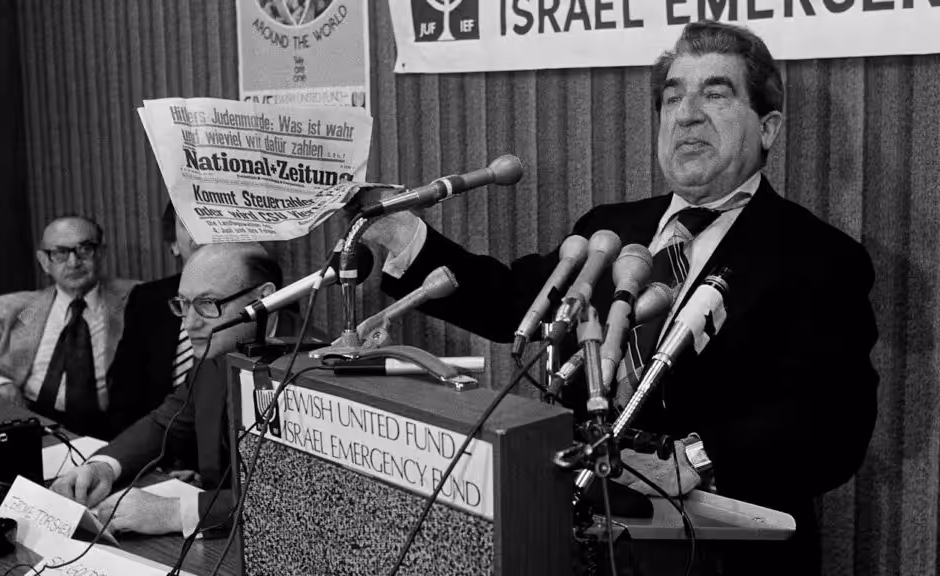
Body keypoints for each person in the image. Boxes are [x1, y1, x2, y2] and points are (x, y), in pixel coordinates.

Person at [359, 21, 878, 575]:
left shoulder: (820, 257)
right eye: (672, 97)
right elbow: (515, 301)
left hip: (724, 556)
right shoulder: (610, 229)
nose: (686, 114)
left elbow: (835, 424)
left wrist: (696, 457)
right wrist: (404, 238)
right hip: (584, 539)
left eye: (715, 94)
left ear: (768, 127)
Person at [51, 242, 320, 536]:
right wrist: (103, 467)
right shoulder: (222, 345)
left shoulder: (316, 373)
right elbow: (165, 421)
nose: (190, 324)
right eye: (184, 304)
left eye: (208, 304)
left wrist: (174, 513)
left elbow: (302, 498)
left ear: (264, 299)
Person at [0, 216, 137, 437]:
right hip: (32, 424)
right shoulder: (18, 310)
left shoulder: (135, 299)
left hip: (112, 430)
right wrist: (0, 385)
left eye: (84, 249)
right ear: (44, 262)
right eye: (60, 253)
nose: (73, 262)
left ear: (100, 253)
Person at [103, 202, 200, 438]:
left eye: (212, 219)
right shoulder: (148, 299)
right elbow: (124, 393)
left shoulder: (267, 300)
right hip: (158, 447)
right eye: (190, 221)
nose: (203, 230)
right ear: (174, 244)